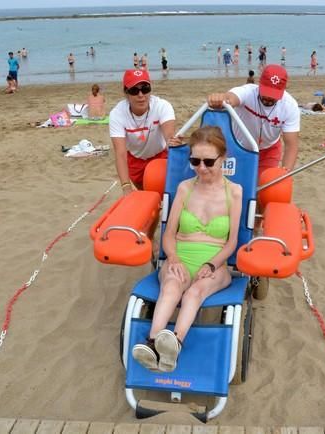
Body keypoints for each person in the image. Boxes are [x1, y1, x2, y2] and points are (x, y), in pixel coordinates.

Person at [131, 125, 243, 373]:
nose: (201, 168)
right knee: (172, 286)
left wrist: (211, 264)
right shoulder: (185, 188)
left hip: (215, 261)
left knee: (195, 293)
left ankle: (174, 344)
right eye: (195, 160)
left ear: (223, 159)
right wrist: (172, 257)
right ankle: (152, 342)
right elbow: (168, 234)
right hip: (180, 254)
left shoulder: (234, 192)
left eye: (208, 161)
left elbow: (232, 242)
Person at [207, 64, 300, 175]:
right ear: (259, 84)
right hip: (238, 147)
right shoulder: (248, 92)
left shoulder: (290, 106)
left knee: (264, 186)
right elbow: (231, 98)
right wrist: (221, 99)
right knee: (233, 184)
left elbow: (291, 146)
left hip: (268, 150)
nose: (268, 98)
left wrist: (285, 173)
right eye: (266, 92)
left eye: (273, 95)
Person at [109, 69, 176, 194]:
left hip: (160, 156)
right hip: (135, 159)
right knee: (146, 195)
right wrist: (125, 186)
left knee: (164, 194)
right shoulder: (117, 114)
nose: (141, 95)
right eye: (134, 90)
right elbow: (120, 153)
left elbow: (169, 137)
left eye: (145, 88)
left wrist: (173, 141)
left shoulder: (162, 106)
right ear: (126, 93)